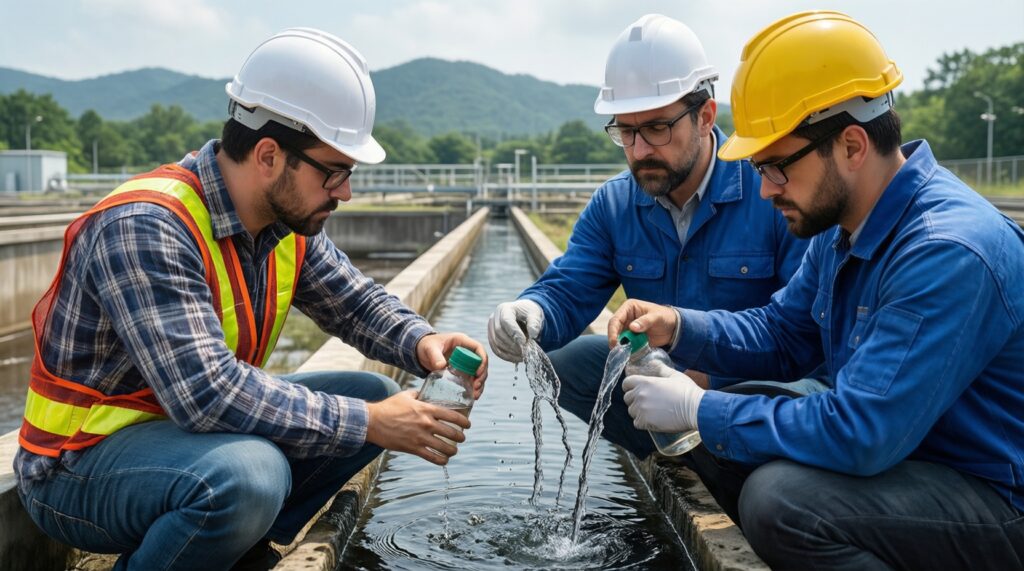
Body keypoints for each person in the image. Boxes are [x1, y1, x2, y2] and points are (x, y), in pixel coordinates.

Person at [15, 28, 488, 571]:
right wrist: (370, 422)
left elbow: (355, 304)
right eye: (334, 172)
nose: (345, 191)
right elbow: (206, 393)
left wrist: (424, 341)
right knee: (252, 474)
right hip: (78, 465)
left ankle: (237, 547)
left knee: (373, 391)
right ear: (268, 155)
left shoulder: (284, 224)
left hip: (178, 438)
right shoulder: (148, 227)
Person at [611, 11, 1024, 569]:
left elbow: (863, 429)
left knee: (782, 503)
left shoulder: (946, 251)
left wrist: (699, 407)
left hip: (990, 495)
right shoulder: (844, 228)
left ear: (852, 145)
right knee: (729, 438)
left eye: (776, 166)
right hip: (913, 461)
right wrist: (680, 326)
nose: (765, 190)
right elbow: (783, 332)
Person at [488, 14, 815, 457]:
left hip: (745, 390)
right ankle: (673, 454)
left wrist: (705, 384)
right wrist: (532, 312)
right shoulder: (615, 204)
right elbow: (571, 287)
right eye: (626, 131)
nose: (640, 150)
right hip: (657, 382)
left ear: (705, 116)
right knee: (569, 365)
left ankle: (722, 452)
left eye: (658, 128)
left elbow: (801, 333)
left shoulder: (770, 191)